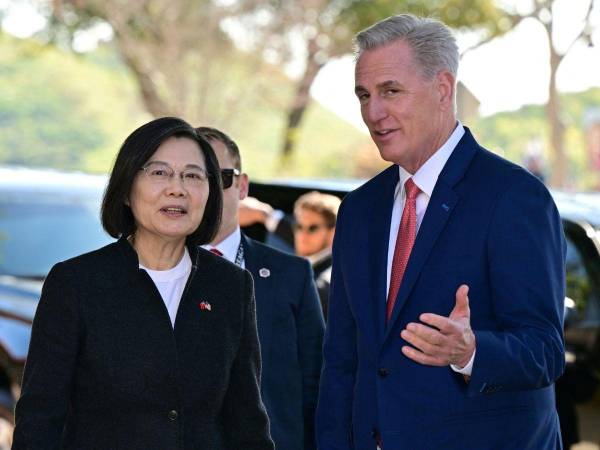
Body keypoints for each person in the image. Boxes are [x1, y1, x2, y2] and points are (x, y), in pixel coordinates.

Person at [316, 14, 566, 450]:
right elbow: (342, 361)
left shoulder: (514, 197)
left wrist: (470, 352)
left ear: (443, 89)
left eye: (390, 91)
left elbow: (544, 350)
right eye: (364, 95)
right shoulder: (359, 209)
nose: (373, 112)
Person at [13, 117, 274, 450]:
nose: (177, 188)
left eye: (192, 175)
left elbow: (247, 420)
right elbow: (40, 418)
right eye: (159, 172)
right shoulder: (77, 284)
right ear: (125, 189)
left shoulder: (231, 287)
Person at [196, 126, 324, 450]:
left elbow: (317, 386)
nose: (207, 190)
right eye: (195, 177)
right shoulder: (151, 270)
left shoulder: (291, 275)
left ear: (242, 186)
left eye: (220, 178)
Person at [293, 191, 341, 320]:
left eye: (312, 228)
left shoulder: (324, 284)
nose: (303, 235)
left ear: (333, 233)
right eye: (299, 226)